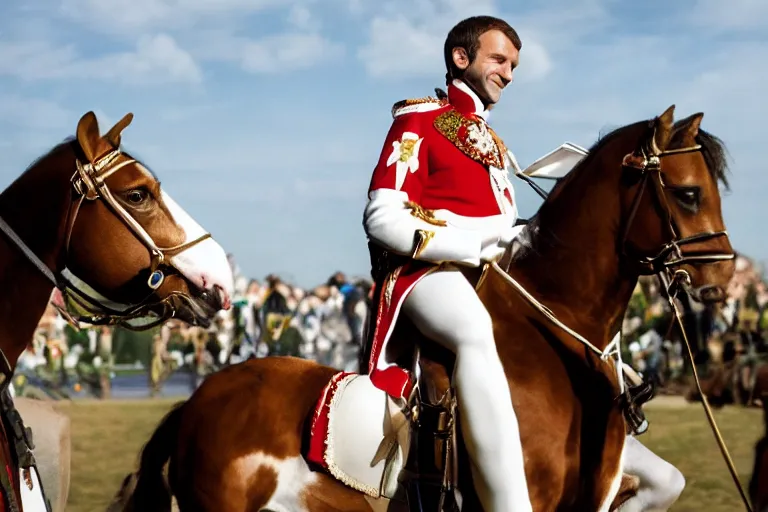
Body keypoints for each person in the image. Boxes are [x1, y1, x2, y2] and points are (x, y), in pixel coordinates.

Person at [362, 15, 530, 512]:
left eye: (514, 65)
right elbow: (382, 214)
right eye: (499, 60)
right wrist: (471, 244)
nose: (509, 74)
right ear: (462, 58)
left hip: (490, 271)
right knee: (474, 329)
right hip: (427, 273)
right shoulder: (417, 120)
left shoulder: (495, 141)